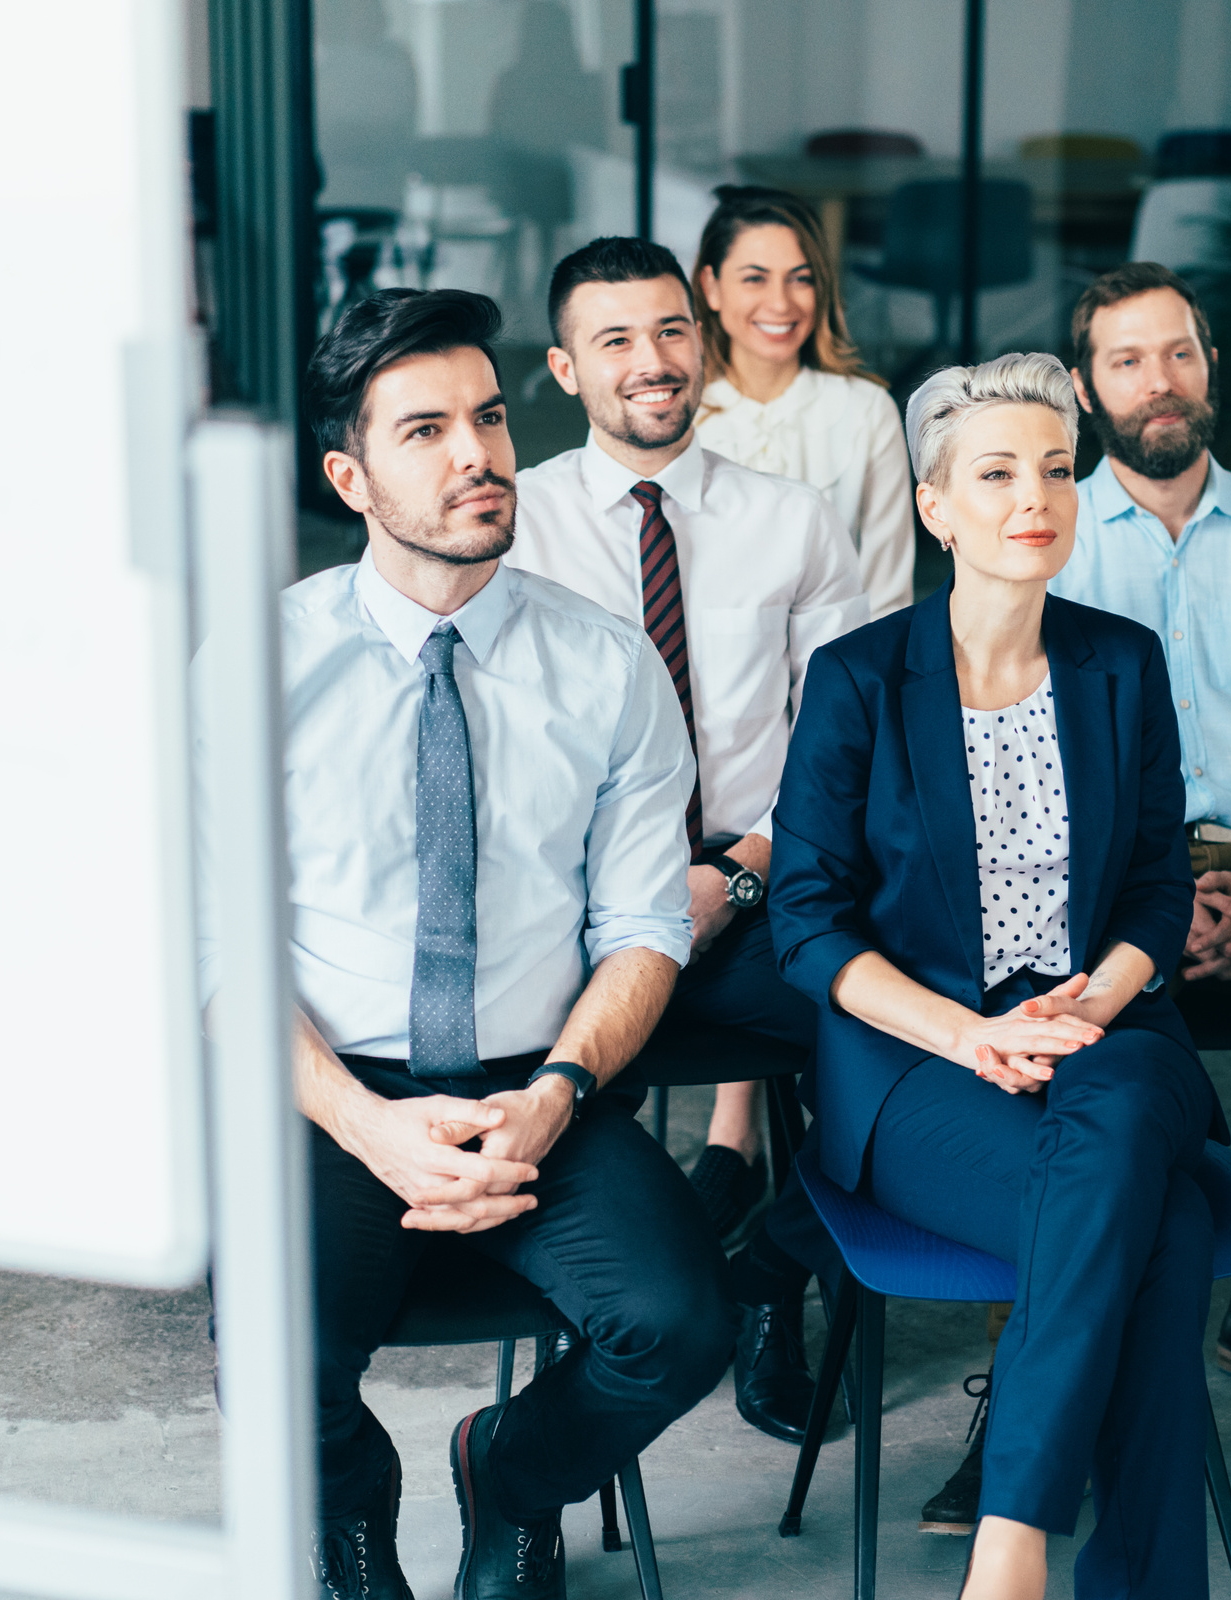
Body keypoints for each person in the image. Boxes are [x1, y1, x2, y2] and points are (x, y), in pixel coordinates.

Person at [902, 260, 1231, 1535]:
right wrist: (1154, 908)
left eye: (1180, 352)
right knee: (1038, 1068)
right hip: (1083, 899)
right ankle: (1023, 1390)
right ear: (1084, 388)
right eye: (1128, 361)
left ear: (1209, 367)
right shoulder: (1038, 523)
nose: (1160, 381)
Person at [232, 287, 733, 1600]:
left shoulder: (609, 666)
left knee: (685, 1326)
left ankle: (510, 1470)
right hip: (334, 1086)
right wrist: (363, 1122)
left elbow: (640, 927)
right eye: (426, 430)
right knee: (267, 1353)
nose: (478, 455)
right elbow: (221, 953)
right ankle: (349, 1509)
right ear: (350, 474)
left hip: (538, 1075)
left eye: (493, 417)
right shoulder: (255, 668)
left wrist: (558, 1096)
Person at [769, 352, 1223, 1600]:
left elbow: (1154, 886)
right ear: (935, 505)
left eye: (1059, 470)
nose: (1037, 495)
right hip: (919, 1060)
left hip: (1108, 1027)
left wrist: (1092, 1000)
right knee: (1163, 1225)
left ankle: (1008, 1543)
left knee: (1124, 1120)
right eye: (998, 472)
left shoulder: (1122, 664)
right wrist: (970, 1039)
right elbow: (804, 924)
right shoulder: (860, 679)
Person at [509, 236, 868, 1444]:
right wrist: (629, 895)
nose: (651, 361)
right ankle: (595, 1320)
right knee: (534, 1067)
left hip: (761, 880)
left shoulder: (797, 522)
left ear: (701, 341)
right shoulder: (517, 529)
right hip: (578, 910)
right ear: (565, 368)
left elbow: (840, 747)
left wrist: (738, 874)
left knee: (891, 1039)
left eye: (670, 330)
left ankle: (773, 1279)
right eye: (614, 339)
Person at [693, 184, 915, 621]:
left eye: (801, 278)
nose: (780, 302)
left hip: (838, 677)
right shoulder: (677, 416)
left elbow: (888, 597)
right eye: (755, 278)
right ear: (712, 287)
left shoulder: (868, 411)